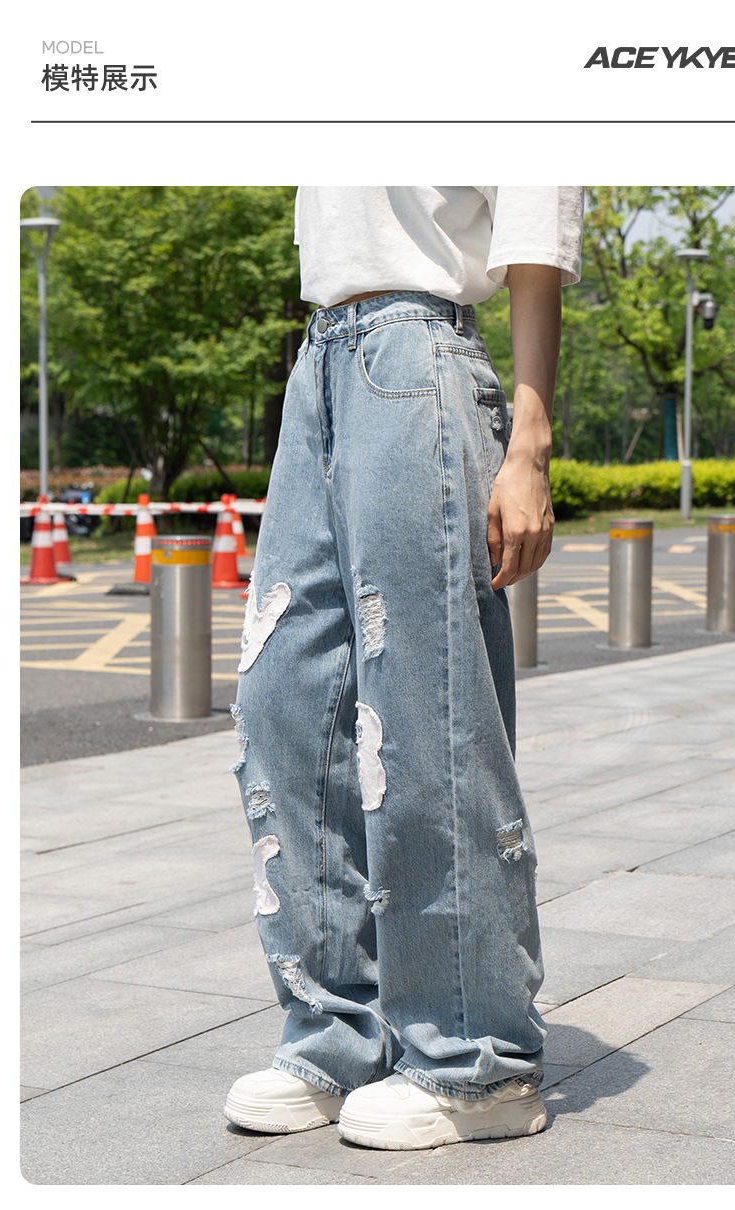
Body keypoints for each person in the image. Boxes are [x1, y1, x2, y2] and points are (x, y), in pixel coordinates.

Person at [224, 186, 584, 1151]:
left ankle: (476, 1058)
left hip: (420, 352)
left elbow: (535, 210)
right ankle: (337, 1031)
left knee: (428, 707)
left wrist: (529, 442)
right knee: (285, 701)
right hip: (320, 361)